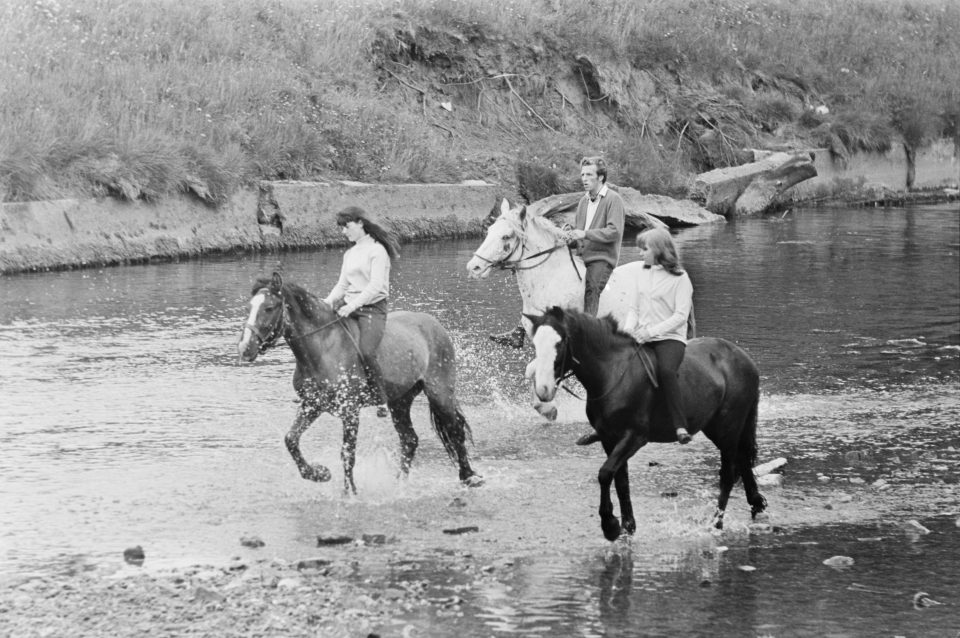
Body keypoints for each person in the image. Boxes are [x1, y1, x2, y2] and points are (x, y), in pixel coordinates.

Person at [490, 156, 626, 348]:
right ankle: (520, 331)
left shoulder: (614, 200)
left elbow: (615, 231)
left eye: (589, 175)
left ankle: (588, 334)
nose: (584, 179)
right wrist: (569, 233)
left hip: (601, 258)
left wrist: (583, 233)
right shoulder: (583, 202)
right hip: (581, 254)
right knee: (542, 279)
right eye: (582, 175)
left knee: (592, 286)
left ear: (601, 177)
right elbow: (580, 233)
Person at [323, 206, 400, 418]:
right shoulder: (350, 253)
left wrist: (352, 305)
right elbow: (342, 285)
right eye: (342, 228)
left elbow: (375, 286)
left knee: (366, 351)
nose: (343, 232)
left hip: (372, 310)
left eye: (346, 227)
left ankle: (380, 398)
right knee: (320, 338)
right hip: (349, 305)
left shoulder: (377, 251)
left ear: (360, 223)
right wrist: (327, 302)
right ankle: (319, 386)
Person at [622, 228, 694, 445]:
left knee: (666, 371)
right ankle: (613, 422)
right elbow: (633, 309)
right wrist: (626, 333)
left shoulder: (681, 278)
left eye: (644, 249)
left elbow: (681, 316)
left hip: (670, 338)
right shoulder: (642, 274)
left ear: (658, 250)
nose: (640, 253)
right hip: (641, 336)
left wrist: (650, 332)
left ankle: (680, 425)